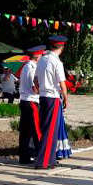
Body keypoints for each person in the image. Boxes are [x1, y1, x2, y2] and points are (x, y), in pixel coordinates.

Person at [33, 35, 69, 170]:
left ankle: (49, 159)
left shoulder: (42, 60)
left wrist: (39, 90)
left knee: (46, 129)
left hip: (43, 96)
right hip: (52, 97)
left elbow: (35, 80)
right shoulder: (56, 62)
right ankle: (42, 161)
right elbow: (62, 83)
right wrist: (65, 98)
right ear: (62, 47)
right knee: (50, 130)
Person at [18, 45, 45, 164]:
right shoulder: (33, 68)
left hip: (24, 100)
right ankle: (42, 156)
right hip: (31, 101)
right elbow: (34, 88)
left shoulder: (26, 66)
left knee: (25, 131)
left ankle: (24, 156)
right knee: (36, 130)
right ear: (38, 56)